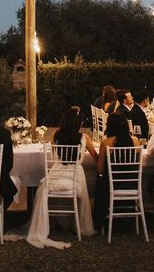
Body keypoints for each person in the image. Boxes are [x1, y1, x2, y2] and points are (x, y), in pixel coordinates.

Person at [8, 106, 95, 248]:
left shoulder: (56, 135)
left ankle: (46, 223)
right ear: (79, 123)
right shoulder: (84, 138)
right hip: (74, 180)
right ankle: (78, 225)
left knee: (41, 188)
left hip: (55, 177)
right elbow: (96, 157)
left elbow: (57, 156)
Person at [92, 112, 141, 233]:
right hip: (131, 184)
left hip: (111, 186)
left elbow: (100, 169)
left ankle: (100, 219)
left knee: (100, 178)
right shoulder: (136, 142)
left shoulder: (106, 143)